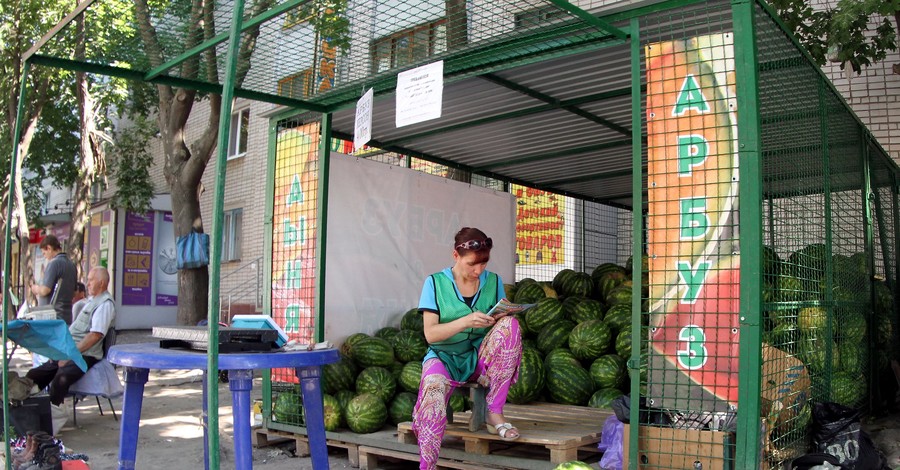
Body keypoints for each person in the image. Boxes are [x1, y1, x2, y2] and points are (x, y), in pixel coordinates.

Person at [412, 227, 523, 470]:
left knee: (510, 325)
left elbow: (501, 321)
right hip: (443, 357)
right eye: (473, 264)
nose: (478, 270)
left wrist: (497, 320)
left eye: (484, 263)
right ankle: (427, 466)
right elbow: (431, 334)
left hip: (478, 358)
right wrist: (466, 320)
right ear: (455, 256)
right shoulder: (434, 283)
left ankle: (495, 413)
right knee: (432, 404)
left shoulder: (492, 281)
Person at [26, 267, 116, 411]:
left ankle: (52, 417)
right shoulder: (93, 301)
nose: (87, 284)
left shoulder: (105, 304)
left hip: (86, 354)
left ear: (102, 282)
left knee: (60, 379)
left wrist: (69, 355)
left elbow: (95, 335)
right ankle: (29, 411)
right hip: (72, 350)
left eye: (91, 280)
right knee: (35, 375)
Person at [30, 235, 78, 324]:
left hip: (52, 315)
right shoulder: (72, 265)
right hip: (67, 315)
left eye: (44, 253)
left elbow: (45, 290)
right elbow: (74, 292)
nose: (45, 257)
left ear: (49, 248)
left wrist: (35, 288)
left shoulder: (54, 263)